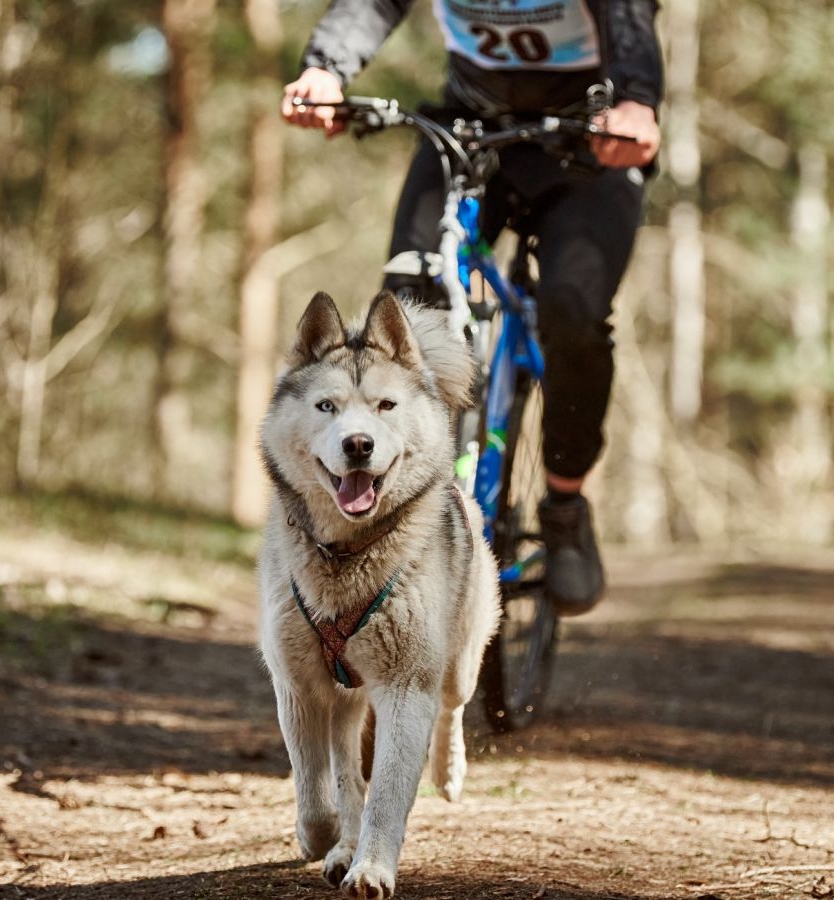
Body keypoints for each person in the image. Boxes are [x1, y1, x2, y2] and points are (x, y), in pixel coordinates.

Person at [280, 0, 663, 616]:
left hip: (591, 140)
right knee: (401, 313)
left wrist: (639, 99)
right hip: (465, 132)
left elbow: (628, 15)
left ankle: (564, 507)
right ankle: (397, 507)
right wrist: (326, 70)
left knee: (573, 314)